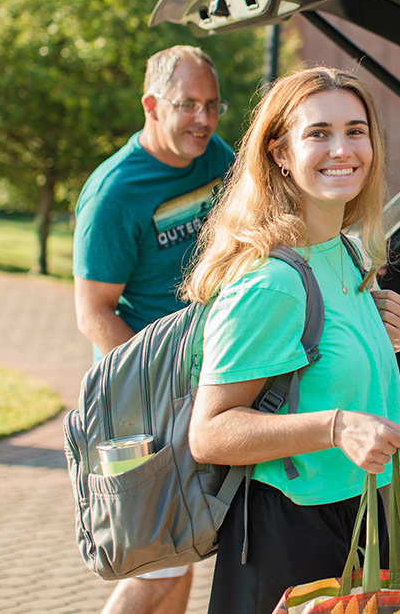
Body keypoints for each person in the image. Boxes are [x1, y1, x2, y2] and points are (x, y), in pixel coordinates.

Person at [184, 67, 400, 614]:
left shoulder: (352, 255)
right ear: (280, 154)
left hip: (362, 513)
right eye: (318, 133)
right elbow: (210, 434)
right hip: (293, 532)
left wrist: (388, 343)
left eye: (356, 131)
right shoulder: (271, 282)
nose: (343, 149)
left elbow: (324, 372)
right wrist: (336, 427)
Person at [73, 45, 233, 614]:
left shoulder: (215, 157)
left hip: (201, 379)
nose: (204, 120)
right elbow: (93, 311)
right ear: (151, 104)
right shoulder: (115, 193)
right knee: (155, 564)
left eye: (212, 105)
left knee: (180, 547)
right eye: (188, 104)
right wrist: (157, 388)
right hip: (141, 401)